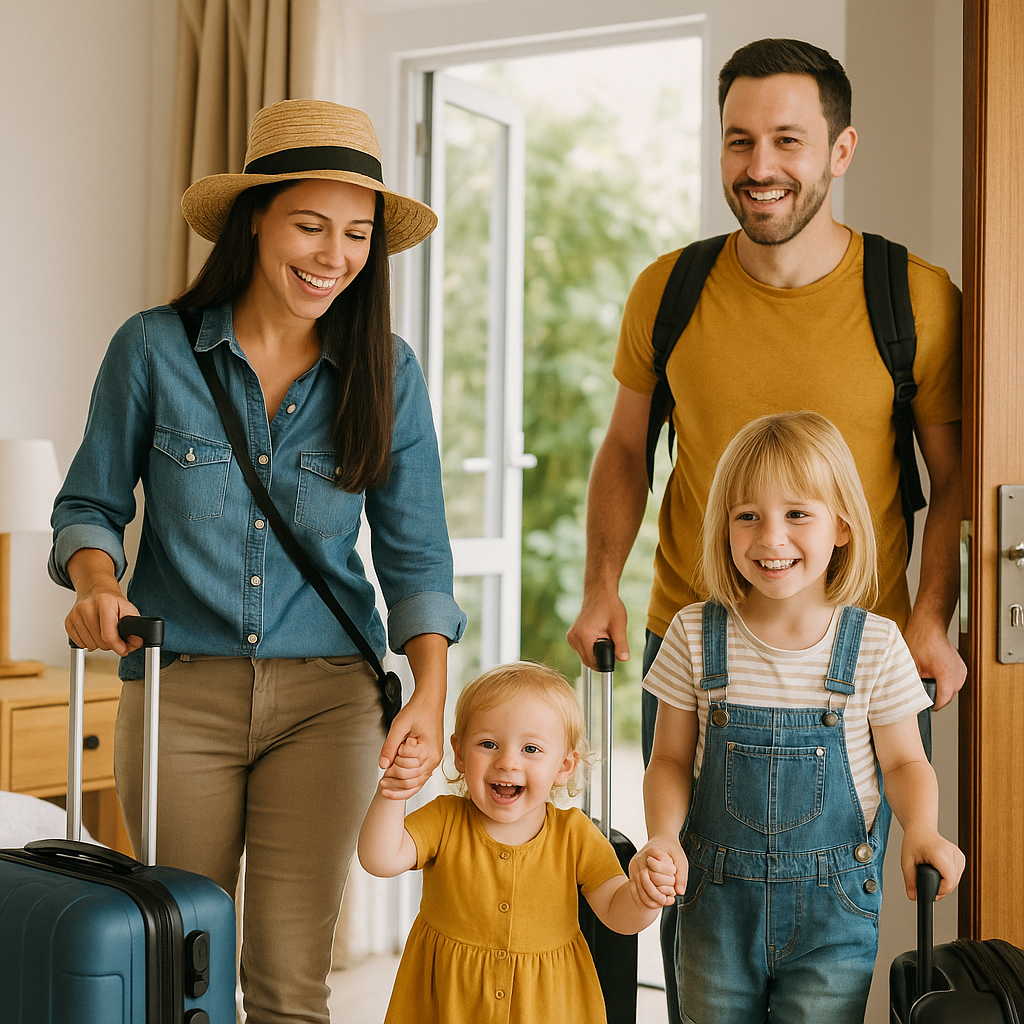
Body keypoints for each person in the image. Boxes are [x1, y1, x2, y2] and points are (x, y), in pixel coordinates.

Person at [566, 39, 963, 1019]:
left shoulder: (912, 298)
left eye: (788, 139)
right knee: (696, 929)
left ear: (840, 150)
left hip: (851, 661)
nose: (759, 165)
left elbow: (955, 478)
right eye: (739, 140)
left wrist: (929, 615)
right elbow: (625, 449)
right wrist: (601, 585)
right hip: (695, 639)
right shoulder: (670, 290)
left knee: (832, 938)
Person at [49, 99, 466, 1024]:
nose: (333, 255)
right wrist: (97, 583)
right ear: (253, 220)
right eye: (310, 225)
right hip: (179, 689)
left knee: (288, 983)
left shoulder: (387, 371)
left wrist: (431, 693)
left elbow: (417, 555)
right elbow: (88, 505)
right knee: (179, 973)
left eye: (356, 234)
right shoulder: (152, 348)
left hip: (329, 702)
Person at [630, 410, 964, 1023]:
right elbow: (670, 760)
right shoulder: (692, 634)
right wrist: (663, 837)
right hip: (714, 914)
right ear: (723, 528)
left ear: (842, 526)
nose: (771, 538)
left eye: (797, 514)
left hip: (832, 920)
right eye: (747, 516)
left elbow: (904, 763)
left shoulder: (876, 645)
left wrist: (922, 829)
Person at [357, 661, 666, 1024]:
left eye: (530, 749)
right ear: (459, 753)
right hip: (449, 1006)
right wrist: (394, 790)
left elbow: (618, 914)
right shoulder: (444, 819)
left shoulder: (575, 835)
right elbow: (379, 859)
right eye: (488, 744)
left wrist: (644, 899)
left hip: (546, 1009)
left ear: (564, 766)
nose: (507, 762)